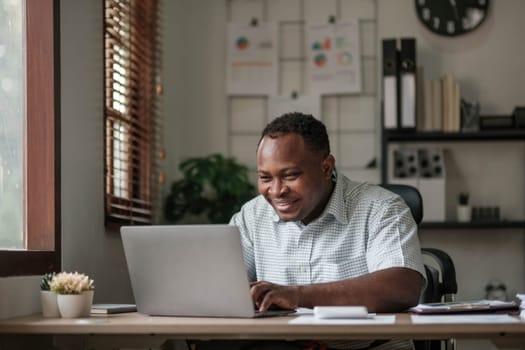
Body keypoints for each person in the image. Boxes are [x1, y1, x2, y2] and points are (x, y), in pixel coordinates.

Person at [193, 113, 426, 350]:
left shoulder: (381, 208)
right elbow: (219, 288)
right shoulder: (252, 216)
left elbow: (402, 286)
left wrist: (298, 295)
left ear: (326, 168)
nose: (276, 191)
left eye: (290, 175)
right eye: (265, 178)